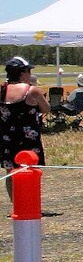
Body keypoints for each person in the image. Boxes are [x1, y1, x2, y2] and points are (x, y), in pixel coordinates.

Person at [1, 57, 50, 201]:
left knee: (10, 172)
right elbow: (46, 108)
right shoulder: (31, 91)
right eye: (28, 71)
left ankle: (16, 203)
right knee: (31, 170)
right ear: (22, 73)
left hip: (7, 138)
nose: (30, 74)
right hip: (28, 139)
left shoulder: (2, 90)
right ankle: (29, 202)